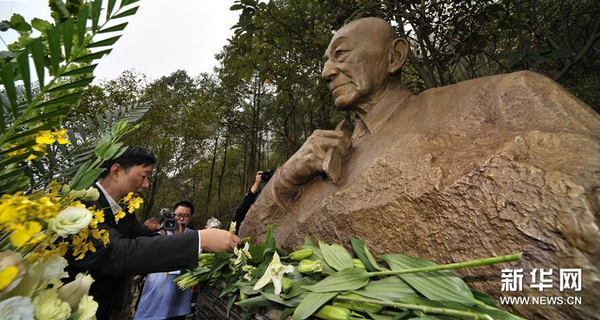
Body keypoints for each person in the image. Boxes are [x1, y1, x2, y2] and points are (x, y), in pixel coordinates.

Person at [239, 18, 600, 319]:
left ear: (394, 56)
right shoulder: (327, 155)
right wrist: (287, 176)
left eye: (341, 54)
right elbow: (251, 240)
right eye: (325, 60)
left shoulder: (501, 95)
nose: (326, 72)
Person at [66, 146, 241, 320]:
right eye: (144, 176)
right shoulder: (79, 207)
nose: (146, 185)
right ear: (116, 171)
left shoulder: (124, 211)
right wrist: (199, 240)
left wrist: (177, 235)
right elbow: (119, 251)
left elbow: (146, 235)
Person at [134, 201, 197, 320]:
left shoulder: (193, 237)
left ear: (190, 218)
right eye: (179, 215)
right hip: (154, 294)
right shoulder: (160, 234)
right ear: (173, 215)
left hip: (177, 300)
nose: (182, 218)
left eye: (186, 216)